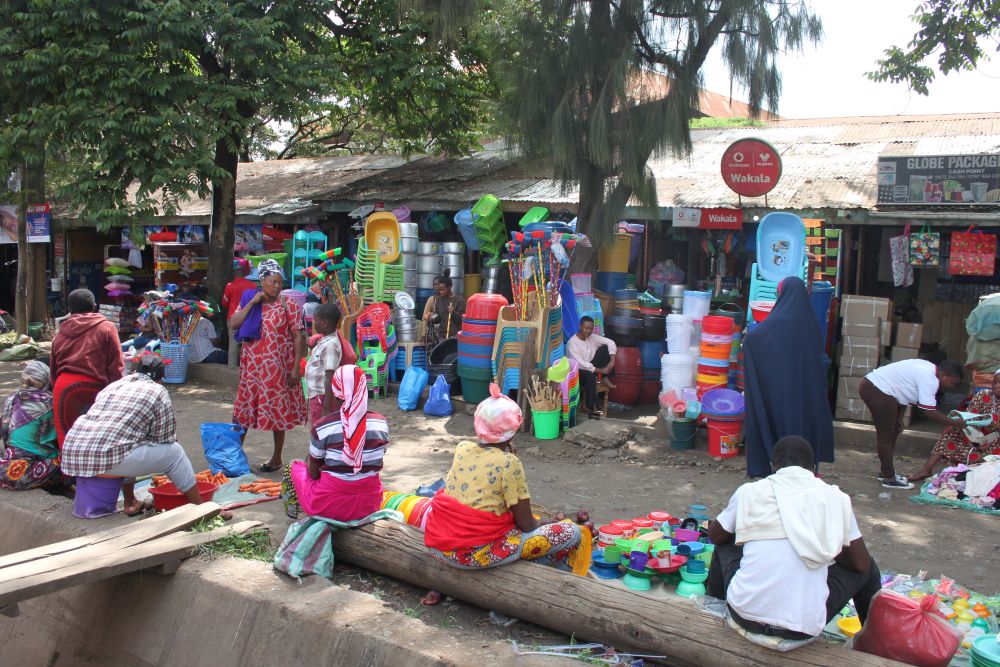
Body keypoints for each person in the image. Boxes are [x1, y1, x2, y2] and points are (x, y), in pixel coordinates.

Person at [706, 436, 882, 651]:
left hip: (744, 616)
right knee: (868, 568)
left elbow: (715, 536)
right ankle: (873, 647)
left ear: (773, 467)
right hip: (801, 629)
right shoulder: (835, 498)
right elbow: (861, 564)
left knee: (725, 541)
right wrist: (827, 545)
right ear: (814, 469)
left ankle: (712, 615)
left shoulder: (749, 492)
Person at [424, 384, 589, 572]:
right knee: (572, 532)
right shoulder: (509, 463)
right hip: (471, 555)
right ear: (512, 432)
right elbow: (526, 525)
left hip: (439, 546)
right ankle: (549, 578)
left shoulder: (463, 448)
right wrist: (542, 522)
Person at [61, 354, 215, 516]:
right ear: (160, 379)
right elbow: (165, 438)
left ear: (136, 371)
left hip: (74, 453)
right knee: (175, 453)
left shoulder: (114, 386)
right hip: (105, 455)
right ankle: (203, 509)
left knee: (129, 443)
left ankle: (130, 502)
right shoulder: (157, 390)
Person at [742, 277, 834, 479]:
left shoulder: (779, 320)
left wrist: (748, 344)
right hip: (806, 389)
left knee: (779, 423)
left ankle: (777, 465)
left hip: (780, 388)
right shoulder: (811, 322)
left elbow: (754, 340)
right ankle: (806, 467)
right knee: (803, 425)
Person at [229, 259, 307, 473]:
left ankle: (276, 458)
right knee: (243, 410)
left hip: (277, 369)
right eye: (273, 282)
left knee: (277, 410)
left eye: (280, 282)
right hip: (252, 369)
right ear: (262, 281)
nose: (277, 286)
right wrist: (252, 303)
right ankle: (234, 456)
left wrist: (296, 367)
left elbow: (298, 335)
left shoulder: (287, 304)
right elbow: (234, 323)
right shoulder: (249, 300)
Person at [283, 365, 387, 521]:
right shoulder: (381, 424)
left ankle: (294, 515)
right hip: (369, 505)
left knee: (294, 466)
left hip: (330, 506)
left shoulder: (323, 426)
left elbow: (313, 473)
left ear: (336, 392)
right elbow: (377, 459)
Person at [860, 358, 965, 489]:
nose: (951, 387)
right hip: (878, 389)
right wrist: (956, 423)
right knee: (886, 436)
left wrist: (899, 419)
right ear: (944, 375)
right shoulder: (930, 379)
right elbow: (929, 411)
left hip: (877, 387)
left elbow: (903, 393)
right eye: (952, 383)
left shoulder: (928, 369)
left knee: (893, 431)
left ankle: (886, 473)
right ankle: (889, 478)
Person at [50, 288, 125, 447]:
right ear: (94, 306)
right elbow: (116, 365)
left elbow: (53, 369)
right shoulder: (107, 327)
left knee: (67, 441)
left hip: (62, 389)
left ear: (69, 309)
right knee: (96, 440)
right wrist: (117, 393)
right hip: (94, 387)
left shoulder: (60, 333)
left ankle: (68, 464)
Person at [911, 369, 1000, 481]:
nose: (996, 386)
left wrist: (990, 435)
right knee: (953, 427)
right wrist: (976, 437)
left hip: (995, 441)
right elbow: (970, 417)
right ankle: (927, 469)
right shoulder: (983, 395)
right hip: (977, 434)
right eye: (995, 382)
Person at [0, 361, 62, 490]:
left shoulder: (12, 398)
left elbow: (4, 429)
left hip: (6, 464)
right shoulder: (48, 404)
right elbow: (51, 439)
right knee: (65, 459)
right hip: (23, 471)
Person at [566, 315, 617, 418]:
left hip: (591, 366)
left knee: (605, 348)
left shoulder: (592, 337)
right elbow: (580, 363)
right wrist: (600, 370)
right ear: (580, 327)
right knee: (589, 376)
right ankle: (592, 407)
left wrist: (612, 360)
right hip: (577, 371)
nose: (589, 331)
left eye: (591, 329)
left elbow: (610, 342)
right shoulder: (572, 343)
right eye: (586, 328)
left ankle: (604, 377)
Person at [304, 303, 343, 424]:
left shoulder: (331, 345)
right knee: (316, 425)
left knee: (319, 427)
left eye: (316, 320)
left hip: (322, 396)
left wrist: (326, 407)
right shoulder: (323, 339)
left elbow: (329, 375)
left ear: (325, 323)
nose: (314, 323)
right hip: (316, 395)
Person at [222, 258, 256, 367]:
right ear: (244, 274)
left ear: (234, 274)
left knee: (233, 345)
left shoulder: (229, 286)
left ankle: (231, 368)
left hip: (233, 318)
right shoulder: (252, 285)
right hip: (248, 318)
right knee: (247, 343)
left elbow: (224, 303)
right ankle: (247, 366)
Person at [423, 272, 464, 341]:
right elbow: (438, 319)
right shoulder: (439, 300)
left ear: (450, 287)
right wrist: (431, 317)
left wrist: (453, 313)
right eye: (439, 290)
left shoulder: (459, 300)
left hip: (455, 336)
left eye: (443, 290)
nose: (441, 292)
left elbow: (463, 320)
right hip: (441, 336)